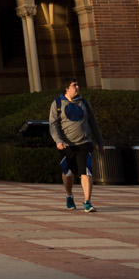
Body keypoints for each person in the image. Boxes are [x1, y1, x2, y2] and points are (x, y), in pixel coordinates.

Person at [48, 80, 101, 212]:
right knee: (68, 173)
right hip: (66, 145)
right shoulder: (57, 103)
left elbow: (93, 123)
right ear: (66, 88)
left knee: (86, 170)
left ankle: (87, 201)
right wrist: (58, 141)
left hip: (84, 142)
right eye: (74, 85)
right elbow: (53, 125)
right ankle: (69, 196)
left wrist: (100, 143)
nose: (77, 87)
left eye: (78, 84)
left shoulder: (84, 103)